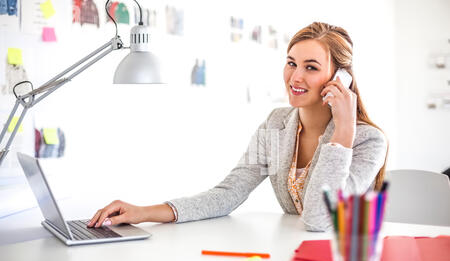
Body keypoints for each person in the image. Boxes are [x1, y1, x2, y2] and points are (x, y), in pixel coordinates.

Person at [88, 22, 388, 232]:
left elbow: (320, 219)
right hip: (292, 256)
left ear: (340, 78)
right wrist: (144, 212)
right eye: (291, 63)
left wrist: (344, 130)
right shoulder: (277, 125)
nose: (295, 77)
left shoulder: (368, 141)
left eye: (311, 67)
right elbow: (229, 193)